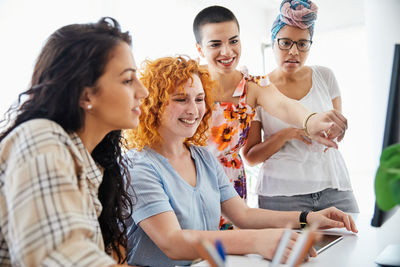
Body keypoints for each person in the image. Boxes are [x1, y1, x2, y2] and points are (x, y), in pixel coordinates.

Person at [124, 56, 357, 267]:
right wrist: (255, 241)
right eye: (181, 99)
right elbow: (172, 243)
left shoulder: (203, 157)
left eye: (199, 98)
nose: (194, 109)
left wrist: (307, 218)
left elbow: (243, 216)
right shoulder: (138, 166)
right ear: (152, 104)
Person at [0, 17, 148, 266]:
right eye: (127, 80)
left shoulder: (89, 161)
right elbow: (59, 255)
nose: (143, 92)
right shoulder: (41, 139)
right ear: (85, 94)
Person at [193, 5, 348, 229]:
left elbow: (284, 106)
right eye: (215, 44)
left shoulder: (253, 86)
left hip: (230, 187)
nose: (227, 52)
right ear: (199, 49)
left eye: (234, 41)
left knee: (229, 254)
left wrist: (312, 121)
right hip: (189, 180)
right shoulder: (187, 82)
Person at [242, 0, 359, 213]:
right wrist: (288, 134)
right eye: (285, 43)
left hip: (334, 186)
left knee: (353, 240)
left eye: (302, 44)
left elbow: (333, 131)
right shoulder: (258, 88)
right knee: (291, 247)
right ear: (273, 42)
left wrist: (337, 129)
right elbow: (250, 156)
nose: (294, 52)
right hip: (282, 194)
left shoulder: (325, 76)